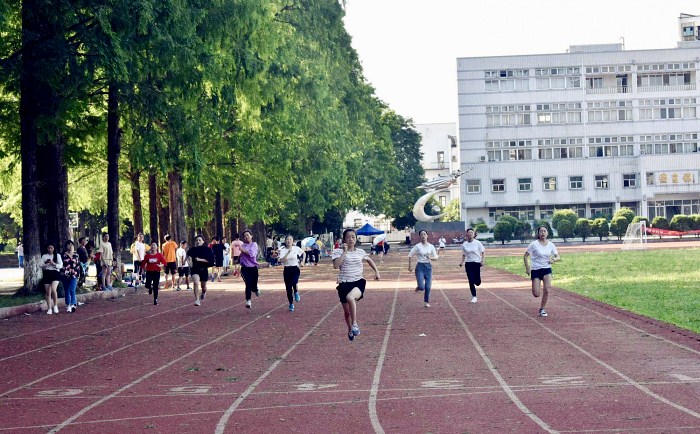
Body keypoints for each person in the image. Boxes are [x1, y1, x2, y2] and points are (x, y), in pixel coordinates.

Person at [332, 228, 381, 341]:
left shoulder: (360, 252)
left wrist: (377, 272)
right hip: (344, 283)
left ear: (356, 239)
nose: (351, 239)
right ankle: (350, 328)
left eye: (353, 237)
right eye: (348, 237)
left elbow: (369, 260)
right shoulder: (337, 252)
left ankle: (354, 324)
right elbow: (336, 265)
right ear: (344, 239)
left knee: (350, 297)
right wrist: (344, 252)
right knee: (347, 312)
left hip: (358, 282)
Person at [524, 225, 561, 317]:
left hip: (546, 268)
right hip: (536, 269)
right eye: (541, 231)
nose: (543, 233)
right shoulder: (533, 244)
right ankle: (536, 286)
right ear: (538, 233)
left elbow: (558, 257)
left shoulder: (551, 245)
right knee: (536, 294)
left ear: (547, 233)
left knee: (547, 290)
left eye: (544, 231)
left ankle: (542, 309)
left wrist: (553, 260)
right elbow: (525, 256)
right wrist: (528, 268)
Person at [408, 230, 439, 307]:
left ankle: (426, 301)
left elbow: (436, 257)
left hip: (428, 267)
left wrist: (430, 258)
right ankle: (419, 286)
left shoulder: (431, 246)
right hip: (420, 267)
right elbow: (410, 255)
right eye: (421, 235)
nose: (423, 236)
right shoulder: (417, 246)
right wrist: (409, 266)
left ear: (427, 235)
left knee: (428, 286)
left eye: (424, 234)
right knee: (422, 287)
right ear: (419, 236)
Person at [277, 235, 306, 312]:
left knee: (294, 281)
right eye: (287, 239)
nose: (289, 241)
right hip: (287, 269)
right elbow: (282, 260)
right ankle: (291, 303)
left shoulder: (296, 248)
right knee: (288, 288)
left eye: (290, 239)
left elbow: (304, 253)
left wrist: (303, 262)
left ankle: (296, 291)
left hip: (295, 268)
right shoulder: (282, 250)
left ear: (292, 241)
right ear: (285, 241)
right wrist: (287, 253)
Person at [459, 228, 485, 304]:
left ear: (474, 234)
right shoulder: (464, 244)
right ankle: (474, 296)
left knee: (477, 282)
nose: (470, 234)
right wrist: (462, 262)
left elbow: (483, 252)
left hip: (476, 263)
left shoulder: (477, 243)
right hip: (468, 263)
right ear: (466, 234)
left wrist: (482, 260)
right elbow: (464, 254)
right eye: (469, 233)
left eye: (472, 233)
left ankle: (477, 282)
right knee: (470, 280)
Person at [187, 235, 215, 306]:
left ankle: (203, 292)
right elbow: (188, 256)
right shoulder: (192, 250)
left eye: (199, 240)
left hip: (203, 269)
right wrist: (189, 262)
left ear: (203, 241)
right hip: (195, 269)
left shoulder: (207, 250)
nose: (198, 241)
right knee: (196, 282)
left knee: (203, 287)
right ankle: (197, 300)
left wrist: (200, 259)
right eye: (196, 240)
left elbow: (210, 261)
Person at [40, 243, 63, 315]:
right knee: (48, 292)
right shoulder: (44, 256)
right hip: (47, 273)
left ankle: (55, 305)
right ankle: (49, 308)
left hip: (55, 273)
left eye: (51, 248)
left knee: (53, 289)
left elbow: (60, 265)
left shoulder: (57, 255)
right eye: (48, 248)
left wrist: (54, 263)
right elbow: (40, 265)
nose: (50, 249)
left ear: (54, 248)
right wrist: (46, 262)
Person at [240, 230, 260, 308]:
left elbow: (251, 254)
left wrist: (242, 250)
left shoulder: (254, 244)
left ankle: (256, 289)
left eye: (248, 235)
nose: (246, 237)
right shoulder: (243, 245)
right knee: (248, 283)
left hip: (253, 268)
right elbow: (241, 255)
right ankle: (248, 300)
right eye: (244, 236)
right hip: (245, 269)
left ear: (251, 236)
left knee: (253, 286)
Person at [62, 240, 80, 312]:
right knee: (67, 289)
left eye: (71, 245)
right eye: (68, 245)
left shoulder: (76, 255)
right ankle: (68, 304)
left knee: (72, 289)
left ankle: (73, 304)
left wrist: (78, 274)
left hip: (74, 274)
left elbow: (78, 265)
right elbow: (61, 265)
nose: (70, 246)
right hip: (65, 274)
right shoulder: (63, 255)